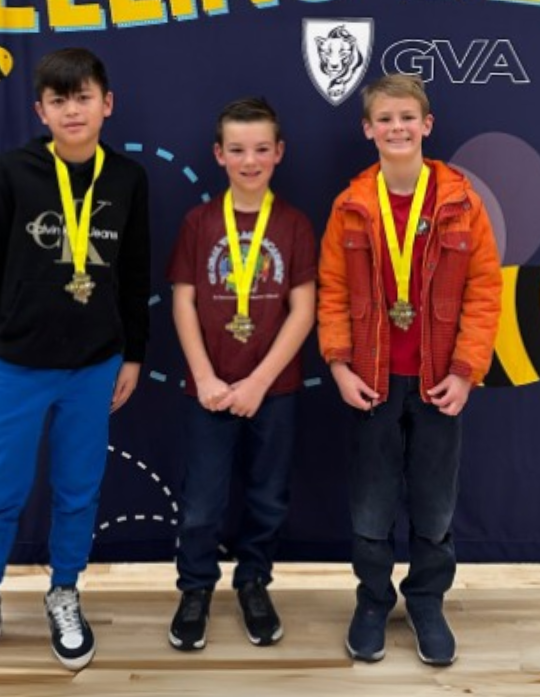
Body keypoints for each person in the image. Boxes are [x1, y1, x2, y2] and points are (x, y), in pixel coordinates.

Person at [0, 47, 150, 680]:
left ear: (108, 105)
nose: (73, 110)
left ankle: (64, 593)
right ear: (40, 110)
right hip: (16, 363)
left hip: (96, 365)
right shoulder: (9, 173)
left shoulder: (126, 180)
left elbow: (134, 275)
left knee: (77, 490)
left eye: (84, 97)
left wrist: (135, 354)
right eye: (59, 100)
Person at [317, 73, 501, 667]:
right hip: (371, 380)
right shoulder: (350, 206)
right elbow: (333, 291)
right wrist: (340, 366)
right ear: (367, 129)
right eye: (385, 119)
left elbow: (484, 291)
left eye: (407, 118)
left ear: (427, 125)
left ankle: (426, 600)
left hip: (438, 380)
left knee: (434, 501)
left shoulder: (460, 201)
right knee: (371, 502)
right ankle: (373, 599)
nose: (397, 128)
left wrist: (468, 370)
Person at [166, 97, 316, 652]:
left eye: (260, 149)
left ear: (279, 153)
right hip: (208, 389)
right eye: (237, 150)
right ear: (218, 155)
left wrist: (257, 383)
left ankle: (253, 581)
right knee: (202, 502)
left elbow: (304, 310)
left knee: (268, 498)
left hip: (273, 391)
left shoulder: (295, 224)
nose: (249, 160)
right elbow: (182, 303)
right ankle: (196, 589)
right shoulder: (199, 222)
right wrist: (205, 377)